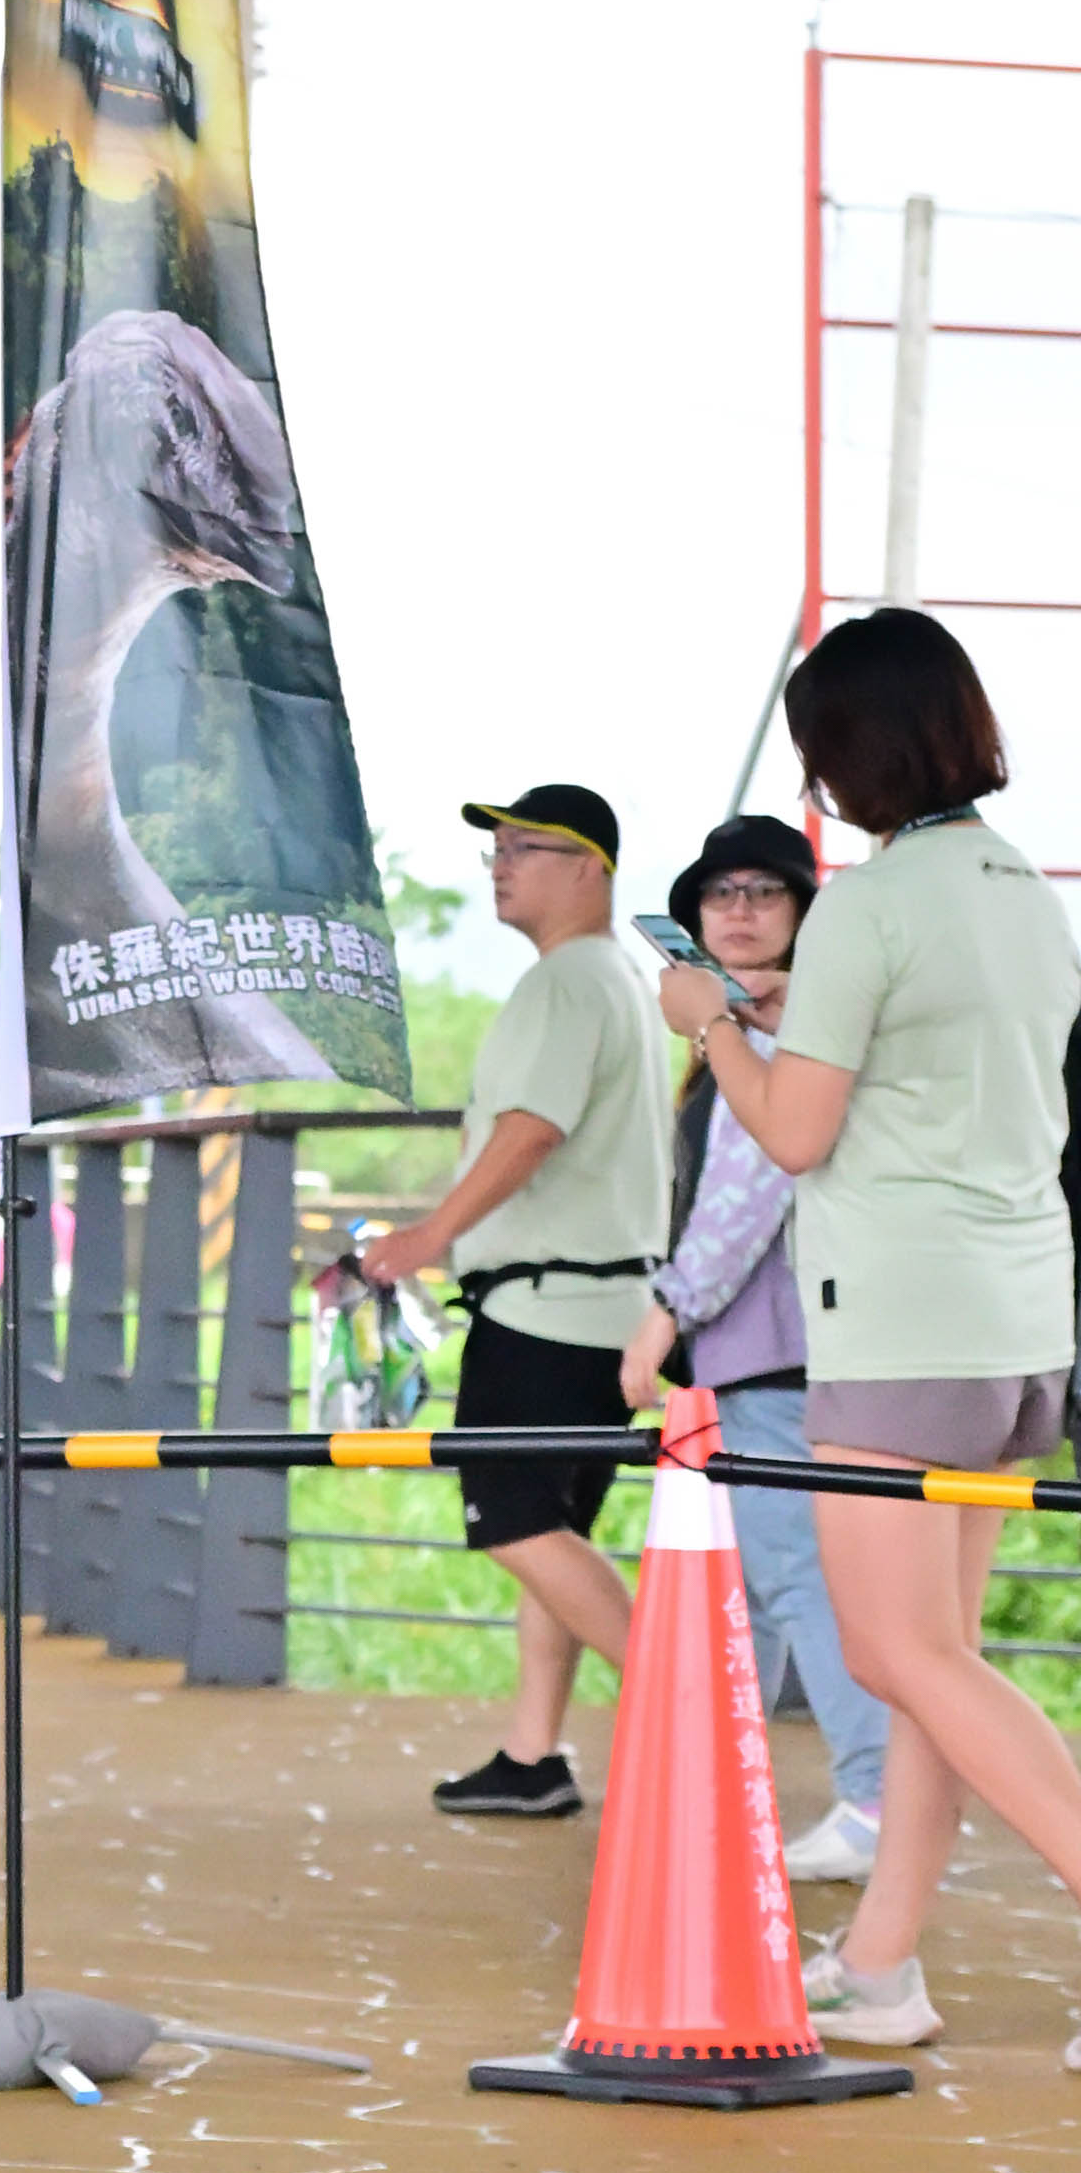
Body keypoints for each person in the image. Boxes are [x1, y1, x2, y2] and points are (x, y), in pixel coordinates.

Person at [648, 608, 1081, 2061]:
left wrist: (712, 1023)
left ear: (854, 752)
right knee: (933, 1659)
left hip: (900, 1321)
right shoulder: (1022, 890)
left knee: (905, 1657)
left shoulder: (873, 907)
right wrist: (777, 1011)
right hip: (1019, 1320)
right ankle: (882, 1964)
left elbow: (792, 1132)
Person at [361, 779, 664, 1818]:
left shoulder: (567, 984)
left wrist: (428, 1236)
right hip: (606, 1311)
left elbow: (531, 1129)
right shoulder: (619, 980)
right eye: (497, 847)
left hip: (544, 1308)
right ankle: (533, 1756)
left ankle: (691, 1712)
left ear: (590, 870)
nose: (502, 863)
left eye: (527, 846)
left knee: (516, 1523)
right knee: (555, 1537)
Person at [615, 813, 885, 1890]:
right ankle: (736, 1783)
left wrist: (666, 1311)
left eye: (764, 892)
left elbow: (746, 1191)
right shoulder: (771, 1025)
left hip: (776, 1346)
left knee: (798, 1576)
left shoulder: (771, 1039)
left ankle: (872, 1797)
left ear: (805, 913)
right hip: (786, 1344)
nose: (737, 910)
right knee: (762, 1582)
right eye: (718, 894)